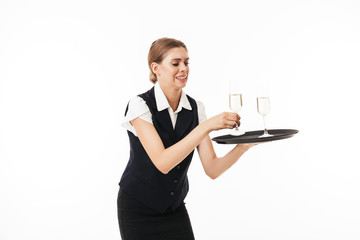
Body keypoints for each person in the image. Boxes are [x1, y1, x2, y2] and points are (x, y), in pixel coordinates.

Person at [117, 37, 259, 240]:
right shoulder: (140, 105)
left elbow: (212, 169)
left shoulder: (195, 107)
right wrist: (207, 126)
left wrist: (242, 147)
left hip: (174, 209)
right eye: (175, 63)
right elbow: (163, 162)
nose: (183, 68)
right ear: (156, 68)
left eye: (186, 62)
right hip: (138, 209)